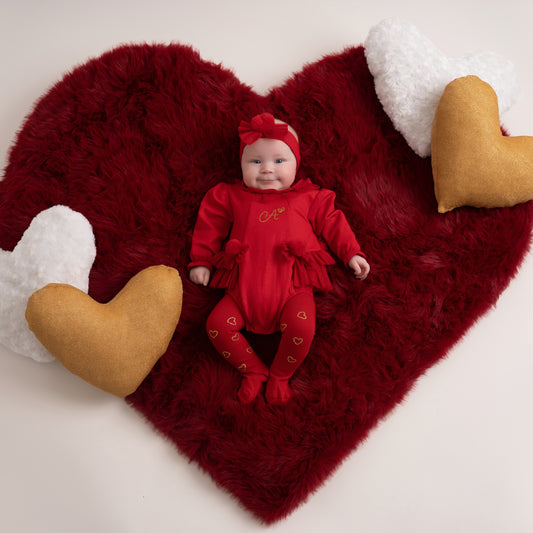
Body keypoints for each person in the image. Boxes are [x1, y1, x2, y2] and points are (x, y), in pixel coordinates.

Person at [189, 112, 370, 404]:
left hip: (292, 291)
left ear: (296, 164)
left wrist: (351, 253)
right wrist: (202, 260)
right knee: (216, 326)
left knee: (302, 327)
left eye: (279, 161)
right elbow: (210, 223)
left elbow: (333, 222)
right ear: (242, 164)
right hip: (241, 292)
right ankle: (253, 371)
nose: (267, 170)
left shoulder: (308, 198)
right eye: (256, 161)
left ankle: (280, 375)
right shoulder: (232, 197)